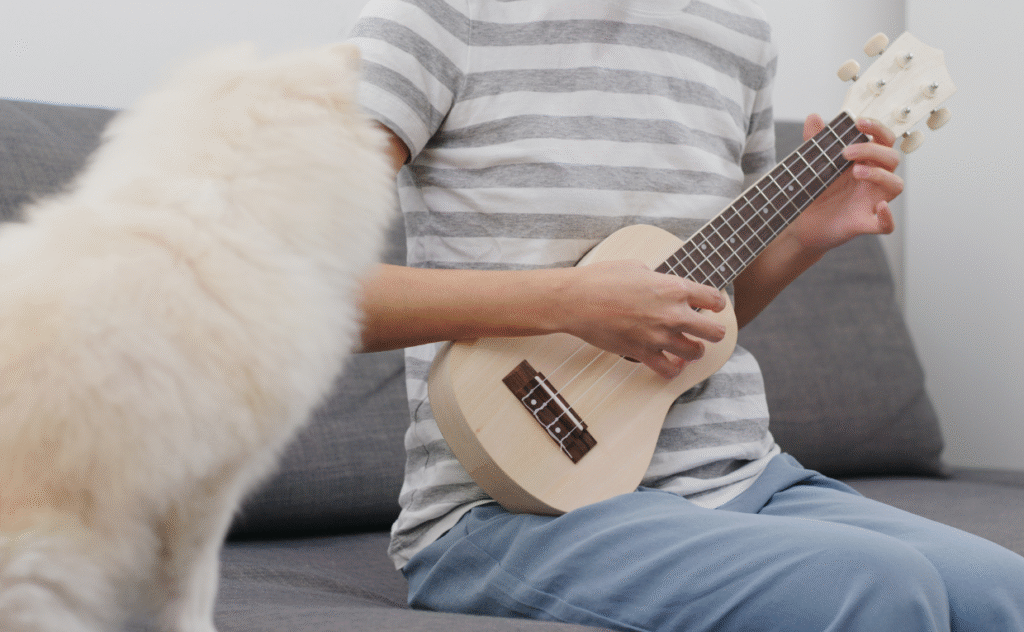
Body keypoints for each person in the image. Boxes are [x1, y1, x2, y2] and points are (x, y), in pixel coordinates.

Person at [348, 1, 1024, 630]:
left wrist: (801, 237)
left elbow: (701, 315)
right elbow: (293, 287)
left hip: (739, 477)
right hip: (515, 504)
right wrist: (570, 303)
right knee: (882, 585)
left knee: (1002, 589)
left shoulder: (737, 36)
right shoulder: (439, 20)